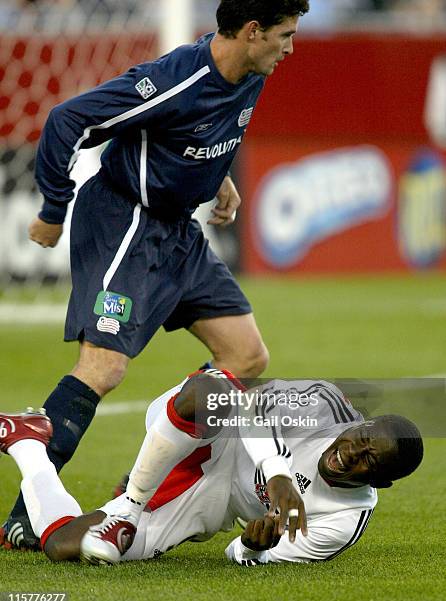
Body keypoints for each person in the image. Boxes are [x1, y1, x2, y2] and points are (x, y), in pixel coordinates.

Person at [2, 0, 310, 548]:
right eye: (284, 35)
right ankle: (27, 511)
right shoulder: (172, 80)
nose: (291, 47)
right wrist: (53, 209)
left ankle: (164, 477)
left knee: (245, 356)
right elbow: (67, 118)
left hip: (179, 232)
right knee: (104, 367)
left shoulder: (252, 69)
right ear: (252, 31)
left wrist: (218, 180)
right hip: (126, 223)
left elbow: (203, 136)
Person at [0, 370, 423, 565]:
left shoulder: (343, 521)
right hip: (211, 434)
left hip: (212, 502)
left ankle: (26, 441)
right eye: (361, 439)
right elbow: (244, 406)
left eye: (369, 461)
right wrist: (276, 473)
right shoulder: (324, 404)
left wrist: (254, 547)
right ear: (358, 424)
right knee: (211, 389)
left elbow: (238, 554)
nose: (352, 452)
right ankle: (130, 505)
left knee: (65, 546)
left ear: (380, 482)